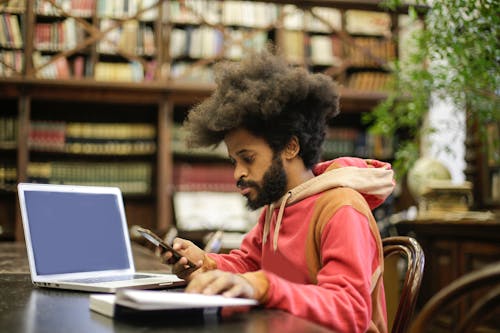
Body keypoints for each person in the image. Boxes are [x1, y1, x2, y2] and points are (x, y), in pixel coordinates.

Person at [162, 49, 394, 333]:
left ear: (290, 147)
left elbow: (350, 311)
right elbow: (246, 263)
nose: (238, 174)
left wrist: (263, 285)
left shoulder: (342, 208)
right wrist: (204, 263)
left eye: (248, 158)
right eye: (235, 162)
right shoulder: (278, 206)